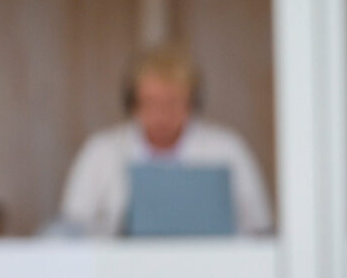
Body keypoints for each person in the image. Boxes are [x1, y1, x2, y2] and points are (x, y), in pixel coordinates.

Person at [56, 42, 273, 236]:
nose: (161, 115)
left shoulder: (227, 150)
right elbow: (72, 229)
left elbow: (259, 229)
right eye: (150, 102)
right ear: (132, 103)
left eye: (172, 103)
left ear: (192, 103)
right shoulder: (101, 151)